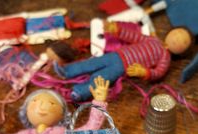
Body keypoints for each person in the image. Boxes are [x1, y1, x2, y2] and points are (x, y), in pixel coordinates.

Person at [54, 21, 194, 101]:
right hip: (116, 54)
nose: (177, 38)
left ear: (182, 51)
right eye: (177, 32)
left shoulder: (165, 57)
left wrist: (144, 72)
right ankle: (67, 71)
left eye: (183, 41)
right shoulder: (153, 39)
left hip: (123, 67)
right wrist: (119, 30)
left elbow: (159, 72)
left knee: (101, 78)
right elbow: (134, 37)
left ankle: (80, 91)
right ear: (171, 31)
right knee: (91, 63)